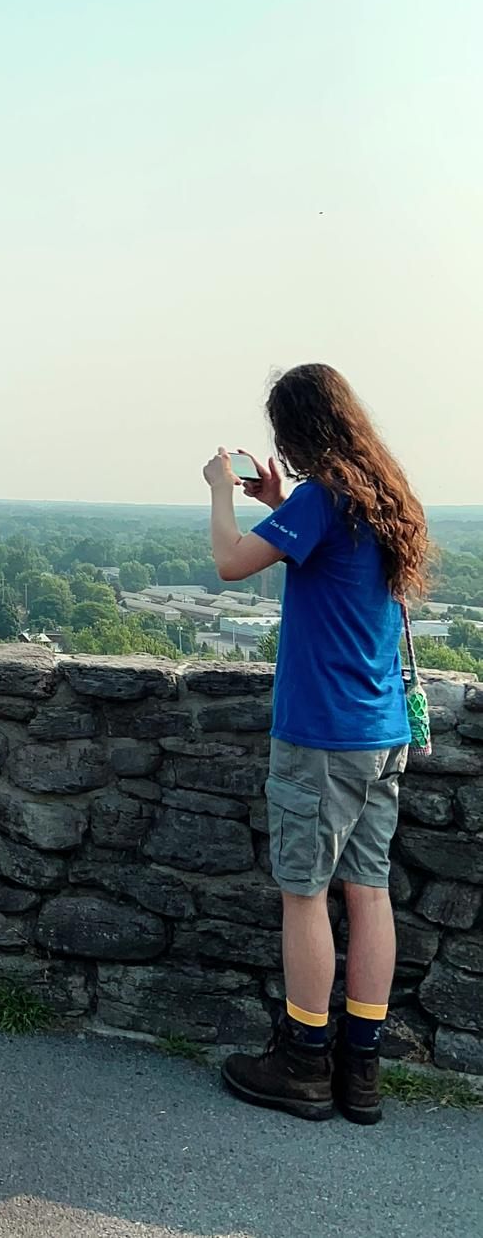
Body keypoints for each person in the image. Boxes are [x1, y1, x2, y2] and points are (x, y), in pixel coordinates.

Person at [205, 363, 430, 1124]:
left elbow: (230, 564)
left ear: (298, 430)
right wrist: (278, 501)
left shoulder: (323, 496)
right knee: (368, 893)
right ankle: (360, 1071)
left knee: (303, 892)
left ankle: (304, 1063)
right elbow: (330, 559)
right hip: (381, 730)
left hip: (322, 733)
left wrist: (217, 490)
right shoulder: (378, 494)